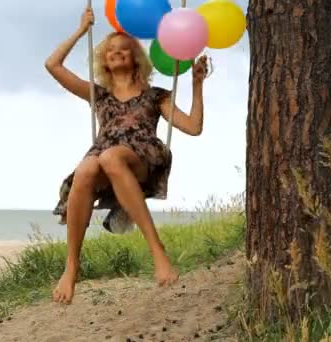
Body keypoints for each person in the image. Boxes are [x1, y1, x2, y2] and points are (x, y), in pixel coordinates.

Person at [44, 7, 209, 305]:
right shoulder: (99, 95)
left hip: (142, 155)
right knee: (85, 170)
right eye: (111, 51)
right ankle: (72, 267)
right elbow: (52, 65)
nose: (117, 53)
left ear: (135, 57)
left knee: (109, 158)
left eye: (124, 49)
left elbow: (193, 127)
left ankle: (157, 250)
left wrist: (197, 85)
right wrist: (82, 30)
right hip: (104, 155)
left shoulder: (155, 95)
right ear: (104, 62)